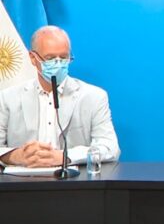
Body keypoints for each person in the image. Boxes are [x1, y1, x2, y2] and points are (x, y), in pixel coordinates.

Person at [0, 25, 120, 167]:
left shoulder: (94, 97)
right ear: (33, 58)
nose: (58, 64)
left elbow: (110, 148)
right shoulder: (8, 98)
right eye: (50, 58)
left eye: (63, 58)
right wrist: (15, 156)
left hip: (72, 178)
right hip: (22, 178)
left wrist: (64, 156)